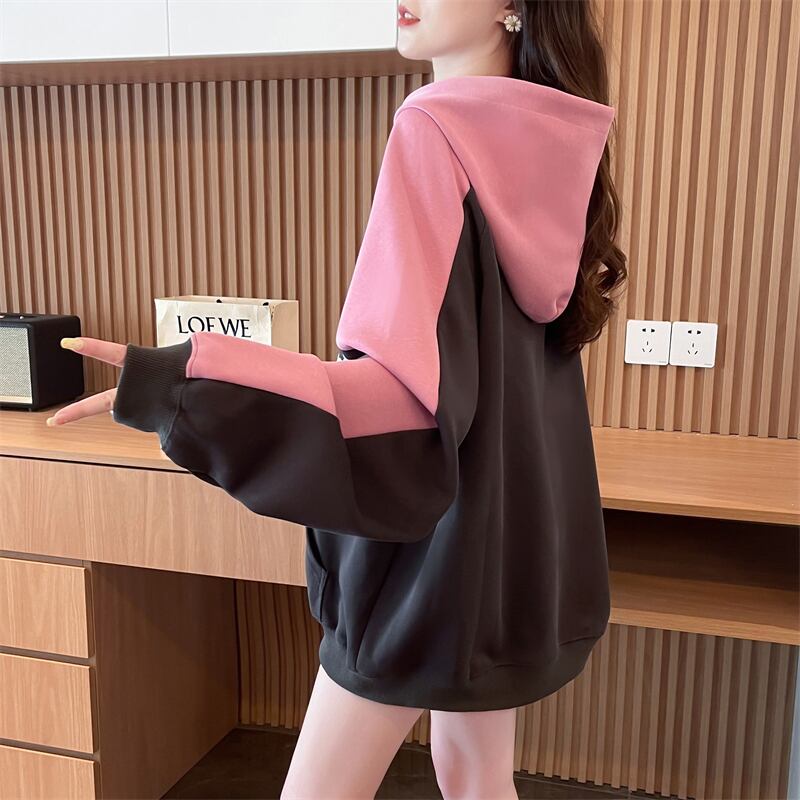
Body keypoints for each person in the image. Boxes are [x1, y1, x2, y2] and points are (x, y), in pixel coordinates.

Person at [48, 0, 627, 797]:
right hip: (515, 542)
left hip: (423, 560)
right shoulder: (553, 143)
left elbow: (397, 400)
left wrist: (180, 384)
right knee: (476, 776)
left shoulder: (433, 129)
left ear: (513, 6)